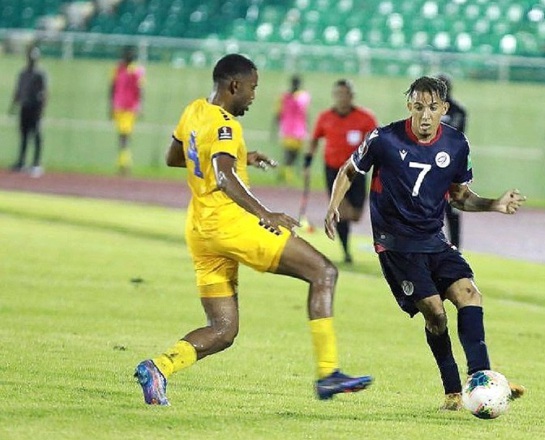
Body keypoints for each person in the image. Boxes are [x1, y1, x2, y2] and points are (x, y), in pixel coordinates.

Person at [134, 54, 372, 406]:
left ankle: (159, 367)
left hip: (201, 229)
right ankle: (328, 373)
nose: (253, 95)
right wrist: (266, 214)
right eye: (252, 88)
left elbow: (177, 156)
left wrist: (240, 156)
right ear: (234, 85)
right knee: (324, 272)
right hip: (233, 223)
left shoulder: (194, 110)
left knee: (223, 329)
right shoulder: (227, 124)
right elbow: (223, 176)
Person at [324, 76, 526, 410]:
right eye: (418, 107)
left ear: (444, 109)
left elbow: (459, 196)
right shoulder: (384, 139)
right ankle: (451, 391)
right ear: (410, 107)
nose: (425, 115)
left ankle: (481, 379)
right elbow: (349, 169)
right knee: (435, 313)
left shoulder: (457, 144)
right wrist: (333, 205)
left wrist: (493, 204)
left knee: (469, 294)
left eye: (433, 108)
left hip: (434, 239)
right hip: (396, 244)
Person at [303, 79, 378, 263]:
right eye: (338, 94)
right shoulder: (325, 117)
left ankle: (345, 224)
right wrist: (307, 162)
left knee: (356, 215)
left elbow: (377, 141)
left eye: (346, 94)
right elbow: (314, 140)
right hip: (333, 170)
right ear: (334, 96)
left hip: (357, 170)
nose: (342, 98)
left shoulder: (365, 117)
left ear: (351, 96)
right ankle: (346, 252)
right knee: (341, 210)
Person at [436, 74, 467, 250]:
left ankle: (456, 248)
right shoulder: (426, 110)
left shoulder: (458, 111)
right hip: (428, 166)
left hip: (452, 167)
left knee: (452, 208)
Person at [8, 46, 47, 178]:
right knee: (24, 135)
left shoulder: (40, 74)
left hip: (35, 107)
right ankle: (21, 162)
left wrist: (42, 109)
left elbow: (44, 93)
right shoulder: (23, 73)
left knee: (36, 135)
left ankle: (36, 163)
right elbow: (18, 90)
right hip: (25, 106)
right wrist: (13, 106)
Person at [109, 46, 145, 176]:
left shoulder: (137, 70)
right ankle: (123, 162)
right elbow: (112, 87)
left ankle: (124, 163)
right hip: (119, 105)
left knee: (124, 136)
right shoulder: (118, 69)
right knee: (122, 135)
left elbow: (140, 89)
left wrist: (140, 105)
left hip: (130, 107)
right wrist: (111, 106)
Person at [272, 75, 310, 184]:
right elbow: (279, 113)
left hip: (298, 129)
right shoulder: (287, 97)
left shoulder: (300, 96)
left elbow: (305, 113)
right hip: (289, 129)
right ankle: (287, 176)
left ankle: (286, 174)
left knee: (296, 155)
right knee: (289, 154)